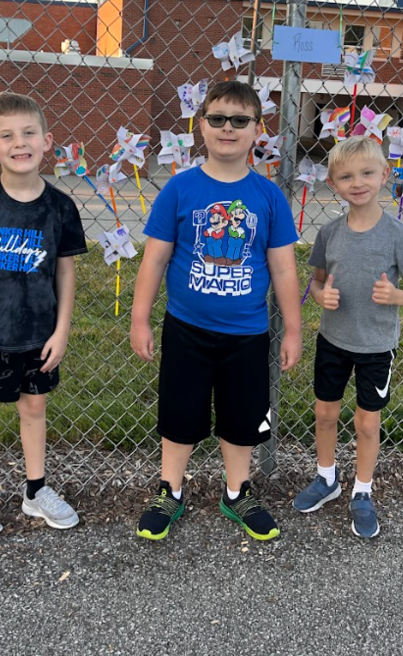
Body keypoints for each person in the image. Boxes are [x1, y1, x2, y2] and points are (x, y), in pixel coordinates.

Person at [131, 80, 302, 542]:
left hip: (246, 332)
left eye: (240, 120)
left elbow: (284, 270)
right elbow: (155, 258)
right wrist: (140, 318)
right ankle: (170, 489)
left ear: (257, 130)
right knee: (181, 413)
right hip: (187, 328)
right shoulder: (181, 189)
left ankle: (237, 490)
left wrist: (293, 331)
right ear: (200, 125)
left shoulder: (268, 197)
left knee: (241, 417)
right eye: (218, 119)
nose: (228, 128)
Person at [0, 91, 87, 539]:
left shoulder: (60, 207)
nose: (19, 142)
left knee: (34, 408)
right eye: (6, 135)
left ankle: (35, 489)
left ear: (47, 141)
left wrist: (61, 331)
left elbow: (65, 274)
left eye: (28, 133)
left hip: (38, 335)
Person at [294, 135, 403, 538]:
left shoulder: (397, 235)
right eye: (346, 176)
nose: (358, 182)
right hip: (333, 341)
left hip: (375, 347)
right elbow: (315, 284)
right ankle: (327, 479)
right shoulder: (329, 233)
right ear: (333, 184)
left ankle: (363, 491)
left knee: (367, 423)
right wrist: (323, 297)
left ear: (385, 175)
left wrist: (398, 295)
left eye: (367, 173)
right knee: (325, 414)